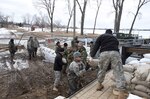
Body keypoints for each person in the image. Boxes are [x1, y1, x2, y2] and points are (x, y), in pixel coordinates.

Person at [90, 29, 127, 99]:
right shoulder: (115, 39)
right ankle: (121, 93)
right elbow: (117, 48)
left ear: (105, 32)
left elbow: (96, 46)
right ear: (111, 33)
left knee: (102, 69)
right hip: (115, 53)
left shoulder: (101, 36)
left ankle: (99, 85)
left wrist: (92, 55)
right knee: (118, 71)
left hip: (104, 53)